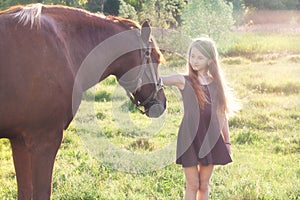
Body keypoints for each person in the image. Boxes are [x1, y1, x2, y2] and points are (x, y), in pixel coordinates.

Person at [161, 37, 235, 200]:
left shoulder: (216, 84)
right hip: (189, 137)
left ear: (210, 60)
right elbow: (158, 81)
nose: (194, 61)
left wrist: (227, 141)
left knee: (204, 184)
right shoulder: (183, 80)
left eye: (200, 57)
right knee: (192, 184)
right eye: (192, 56)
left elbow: (221, 114)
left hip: (211, 137)